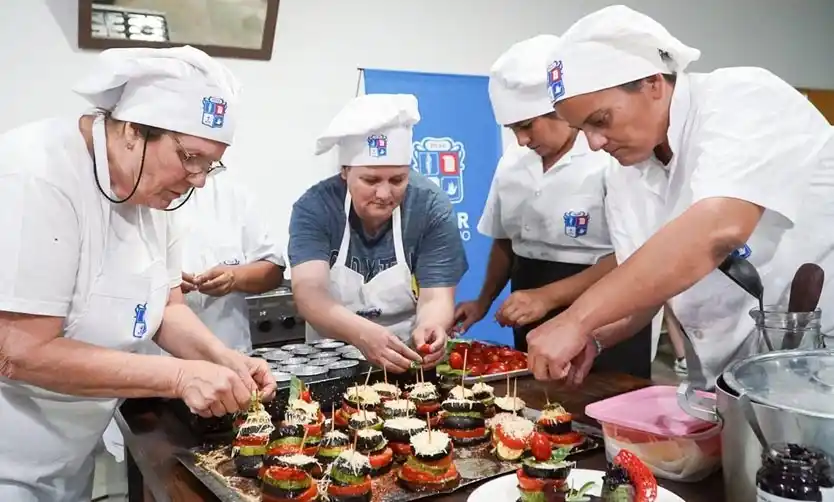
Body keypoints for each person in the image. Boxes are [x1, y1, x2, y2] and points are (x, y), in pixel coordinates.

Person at [0, 46, 276, 501]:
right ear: (132, 130)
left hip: (69, 449)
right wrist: (181, 378)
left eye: (210, 163)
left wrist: (223, 359)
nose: (200, 179)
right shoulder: (38, 177)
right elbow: (19, 351)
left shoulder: (152, 192)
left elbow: (166, 306)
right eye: (190, 157)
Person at [527, 5, 834, 389]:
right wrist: (594, 336)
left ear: (653, 83)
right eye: (581, 128)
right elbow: (643, 289)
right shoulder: (623, 173)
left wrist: (576, 320)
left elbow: (718, 229)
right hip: (729, 380)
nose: (594, 142)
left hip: (818, 365)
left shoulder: (743, 97)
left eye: (601, 120)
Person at [454, 34, 652, 378]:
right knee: (533, 404)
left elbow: (632, 255)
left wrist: (548, 296)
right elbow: (505, 243)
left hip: (607, 306)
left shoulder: (608, 157)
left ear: (559, 112)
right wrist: (483, 301)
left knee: (601, 405)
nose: (522, 140)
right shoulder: (512, 164)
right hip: (529, 300)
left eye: (527, 126)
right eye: (513, 129)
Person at [288, 94, 468, 373]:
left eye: (398, 180)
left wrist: (432, 326)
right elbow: (310, 292)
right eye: (370, 180)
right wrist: (362, 334)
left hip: (408, 359)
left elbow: (436, 297)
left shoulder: (430, 207)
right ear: (345, 171)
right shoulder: (316, 207)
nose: (384, 194)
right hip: (331, 362)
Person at [179, 170, 286, 353]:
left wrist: (234, 277)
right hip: (159, 359)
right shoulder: (139, 197)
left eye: (210, 163)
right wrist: (163, 285)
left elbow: (273, 270)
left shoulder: (232, 194)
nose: (201, 177)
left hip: (229, 346)